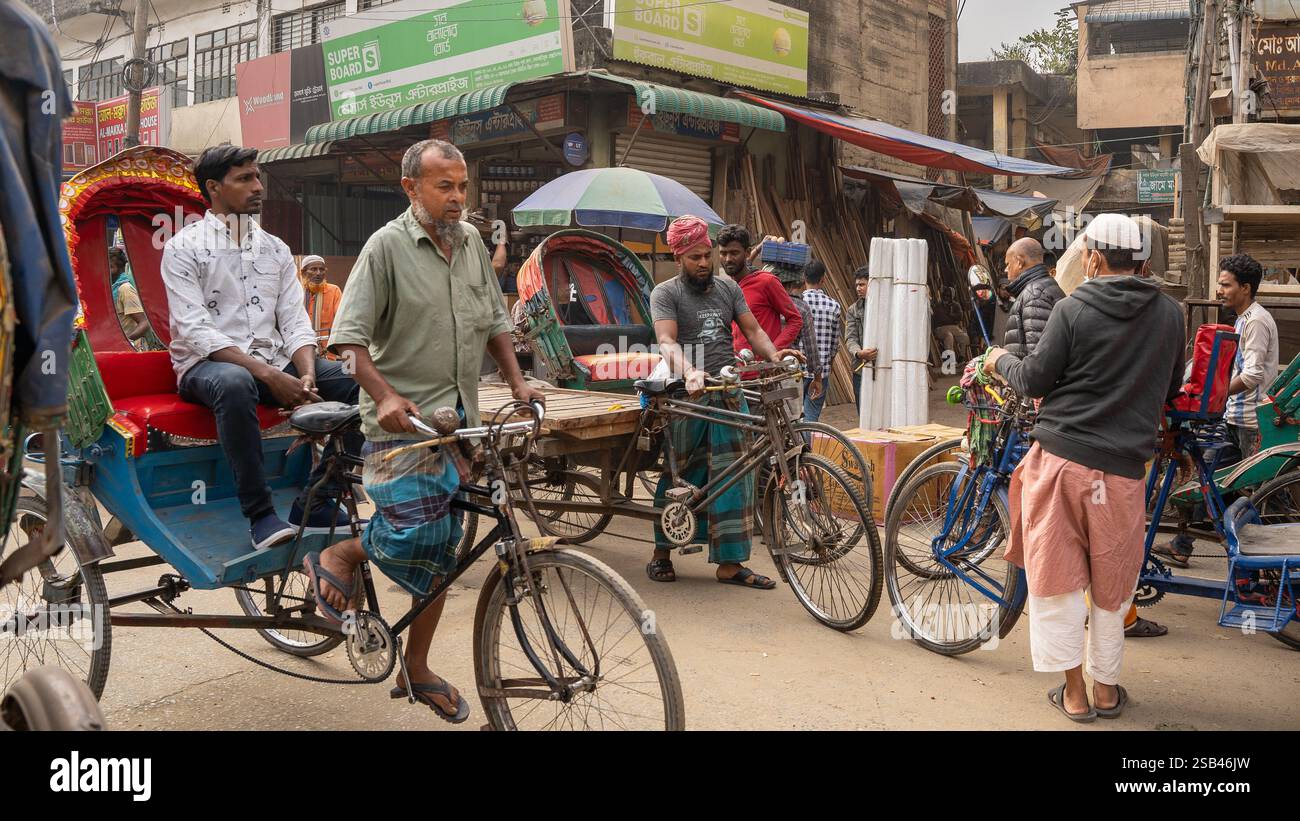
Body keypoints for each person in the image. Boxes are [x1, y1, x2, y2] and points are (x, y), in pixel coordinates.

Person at [304, 139, 544, 723]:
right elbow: (349, 342)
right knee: (417, 538)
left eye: (462, 185)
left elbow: (494, 324)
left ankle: (417, 665)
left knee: (445, 555)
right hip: (400, 425)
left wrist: (517, 385)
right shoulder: (385, 248)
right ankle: (342, 550)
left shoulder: (470, 249)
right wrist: (384, 395)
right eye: (445, 185)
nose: (458, 196)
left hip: (459, 424)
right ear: (411, 188)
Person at [982, 213, 1185, 723]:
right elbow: (1169, 387)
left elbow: (1032, 379)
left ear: (1093, 258)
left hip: (1061, 462)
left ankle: (1073, 694)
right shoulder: (1170, 315)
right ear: (1140, 261)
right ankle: (1108, 691)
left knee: (1059, 580)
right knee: (1112, 584)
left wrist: (995, 359)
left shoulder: (1073, 309)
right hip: (1121, 473)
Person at [161, 144, 363, 550]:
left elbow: (294, 319)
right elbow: (196, 330)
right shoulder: (183, 247)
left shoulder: (275, 248)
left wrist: (305, 371)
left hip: (276, 360)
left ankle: (319, 499)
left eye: (258, 177)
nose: (258, 187)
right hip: (206, 367)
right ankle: (260, 515)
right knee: (236, 383)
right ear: (214, 188)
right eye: (245, 179)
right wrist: (270, 375)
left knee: (361, 380)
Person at [646, 215, 803, 590]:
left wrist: (775, 356)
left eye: (706, 255)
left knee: (738, 475)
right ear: (678, 257)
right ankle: (661, 553)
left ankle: (730, 565)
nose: (703, 263)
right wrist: (689, 372)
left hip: (727, 391)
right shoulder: (665, 293)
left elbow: (754, 330)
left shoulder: (728, 288)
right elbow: (667, 342)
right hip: (687, 395)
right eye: (694, 257)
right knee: (682, 473)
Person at [1155, 253, 1279, 571]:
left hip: (1251, 424)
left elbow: (1251, 375)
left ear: (1246, 288)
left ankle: (1264, 565)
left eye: (1225, 285)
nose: (1219, 291)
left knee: (1253, 497)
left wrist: (1216, 395)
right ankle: (1183, 546)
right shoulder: (1242, 319)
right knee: (1203, 482)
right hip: (1234, 420)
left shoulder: (1256, 321)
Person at [718, 224, 803, 356]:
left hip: (763, 371)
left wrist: (773, 352)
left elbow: (795, 320)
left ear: (747, 252)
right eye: (723, 253)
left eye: (734, 253)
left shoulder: (766, 282)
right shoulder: (726, 287)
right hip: (735, 371)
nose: (728, 259)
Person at [1002, 238, 1065, 358]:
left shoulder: (1034, 294)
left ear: (1019, 261)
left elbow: (1039, 360)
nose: (1006, 270)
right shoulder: (1043, 287)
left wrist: (1001, 362)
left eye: (1008, 264)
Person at [800, 260, 842, 422]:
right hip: (821, 371)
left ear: (804, 277)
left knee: (794, 417)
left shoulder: (796, 302)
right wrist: (829, 365)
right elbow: (834, 344)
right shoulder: (834, 306)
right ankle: (807, 447)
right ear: (823, 279)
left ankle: (795, 447)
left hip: (797, 370)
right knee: (811, 416)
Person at [777, 265, 823, 409]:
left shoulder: (766, 303)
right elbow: (810, 345)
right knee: (792, 418)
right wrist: (817, 376)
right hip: (789, 369)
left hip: (764, 367)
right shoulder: (802, 307)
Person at [109, 246, 163, 351]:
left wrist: (126, 341)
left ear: (120, 268)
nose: (106, 270)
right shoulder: (109, 289)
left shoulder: (125, 290)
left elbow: (144, 322)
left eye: (111, 267)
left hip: (126, 349)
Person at [843, 266, 878, 409]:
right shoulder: (853, 310)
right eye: (857, 285)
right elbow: (850, 338)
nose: (858, 288)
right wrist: (859, 353)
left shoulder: (886, 307)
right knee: (863, 409)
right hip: (861, 367)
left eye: (862, 284)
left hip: (884, 367)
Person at [299, 255, 343, 360]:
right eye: (313, 269)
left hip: (329, 355)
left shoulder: (334, 291)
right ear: (303, 272)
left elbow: (342, 321)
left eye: (321, 269)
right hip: (301, 354)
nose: (318, 273)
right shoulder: (296, 293)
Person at [931, 288, 970, 364]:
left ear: (952, 297)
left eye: (948, 296)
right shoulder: (939, 306)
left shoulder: (955, 305)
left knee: (965, 337)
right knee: (949, 336)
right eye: (945, 295)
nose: (946, 297)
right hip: (940, 328)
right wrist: (952, 317)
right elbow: (941, 318)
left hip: (953, 327)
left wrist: (951, 315)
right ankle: (951, 360)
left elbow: (960, 316)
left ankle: (961, 357)